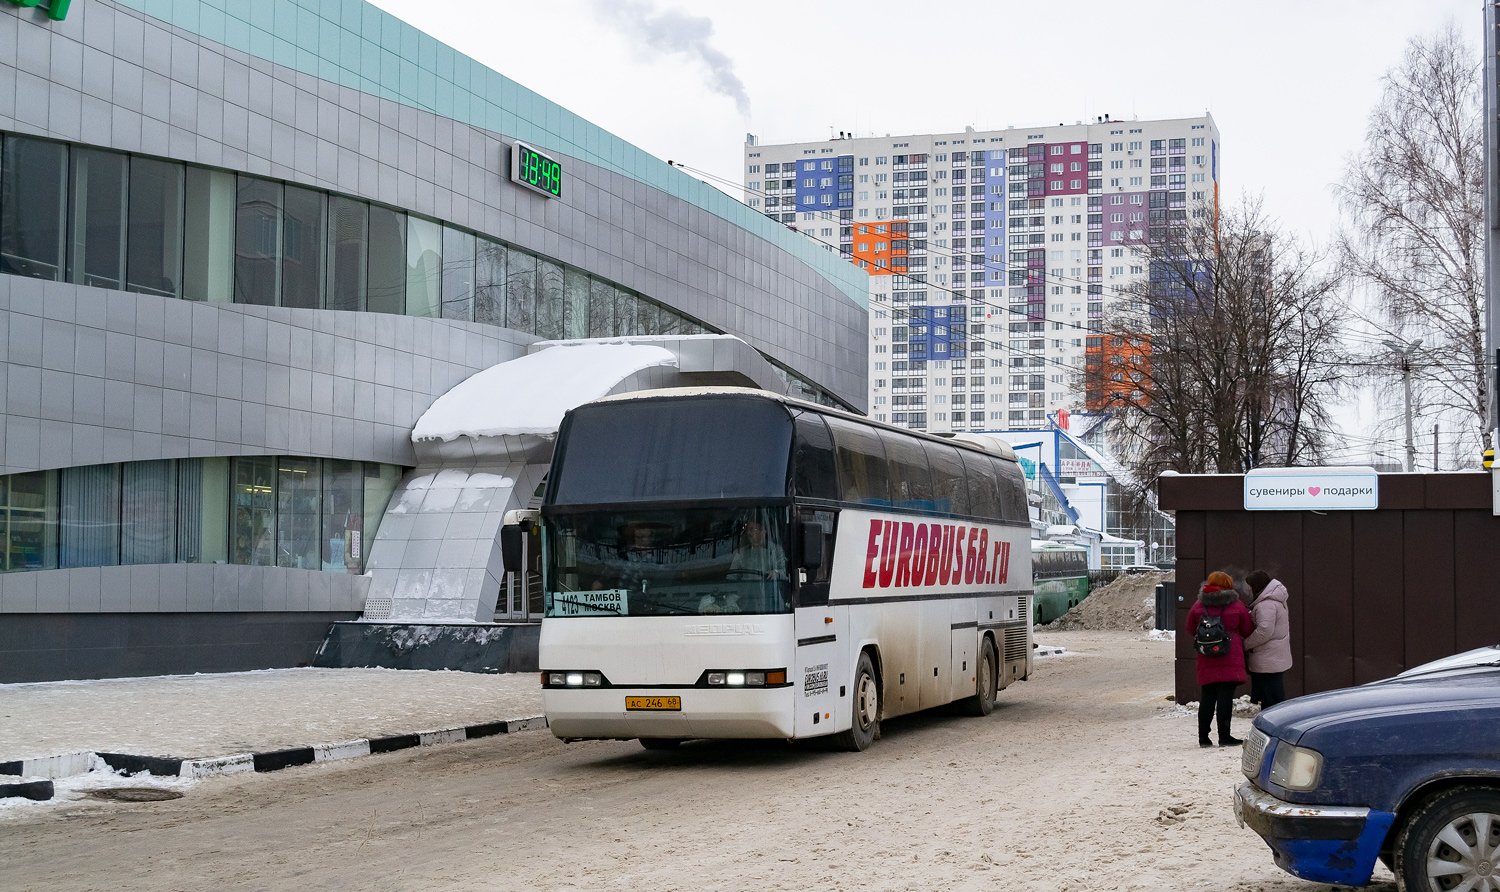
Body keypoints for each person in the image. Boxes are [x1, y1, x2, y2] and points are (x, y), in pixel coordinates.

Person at [1186, 570, 1256, 748]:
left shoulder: (1198, 605)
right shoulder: (1237, 605)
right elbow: (1247, 629)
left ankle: (1204, 738)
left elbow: (1190, 629)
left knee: (1207, 697)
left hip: (1206, 657)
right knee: (1225, 699)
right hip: (1230, 656)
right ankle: (1224, 737)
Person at [1242, 570, 1292, 709]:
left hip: (1266, 659)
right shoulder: (1276, 601)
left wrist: (1245, 644)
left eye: (1251, 585)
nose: (1249, 589)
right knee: (1274, 697)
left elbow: (1264, 631)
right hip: (1274, 657)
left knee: (1270, 701)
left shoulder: (1266, 604)